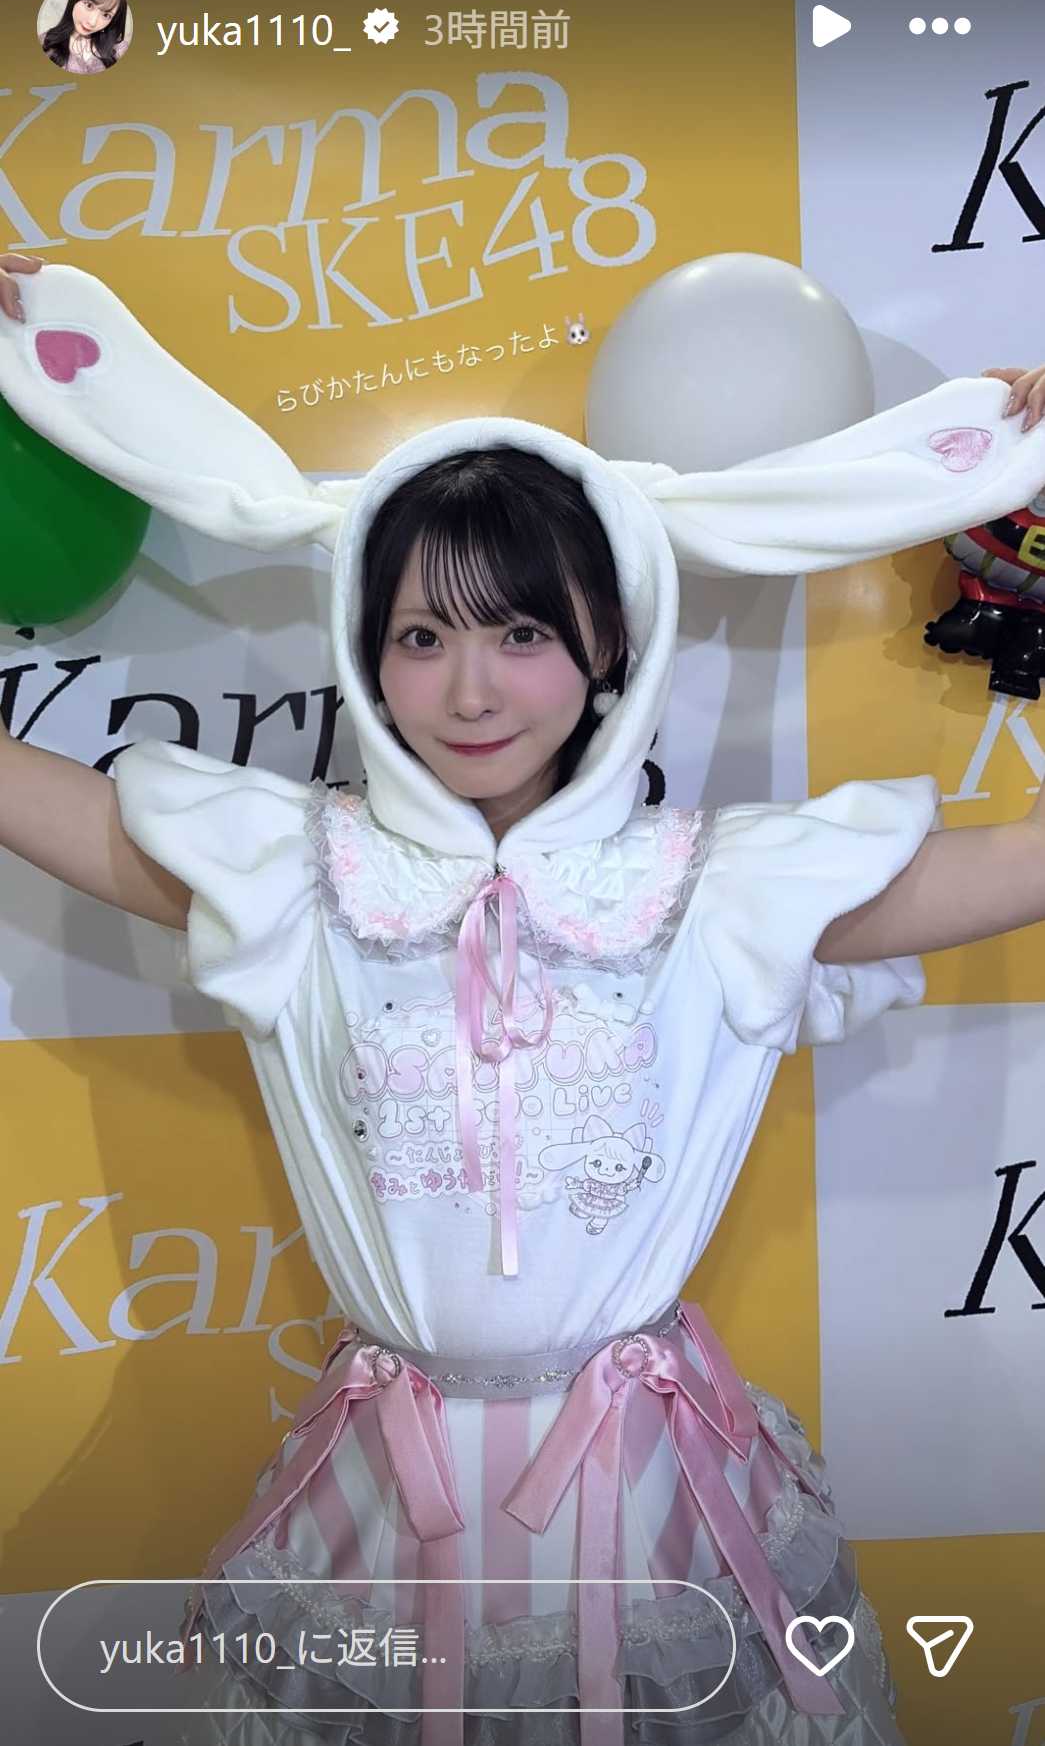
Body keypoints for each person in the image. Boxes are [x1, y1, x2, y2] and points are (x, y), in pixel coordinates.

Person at [2, 251, 1045, 1746]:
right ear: (366, 657)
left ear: (607, 641)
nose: (471, 691)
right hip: (386, 1503)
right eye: (421, 638)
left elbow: (1020, 863)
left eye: (521, 632)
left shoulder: (718, 887)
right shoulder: (290, 874)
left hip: (657, 1496)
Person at [39, 0, 129, 74]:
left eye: (106, 15)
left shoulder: (120, 49)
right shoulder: (46, 42)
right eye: (89, 5)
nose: (92, 22)